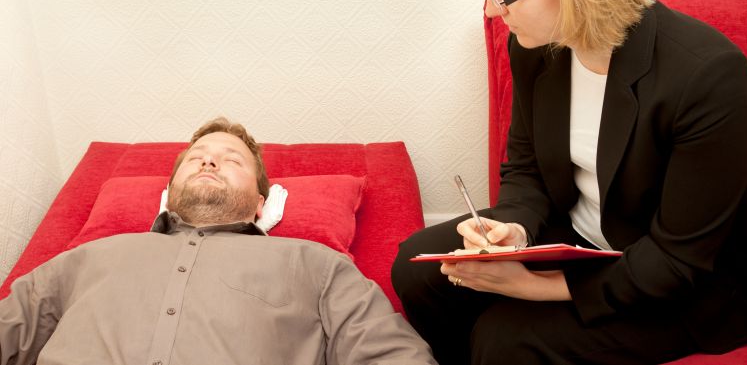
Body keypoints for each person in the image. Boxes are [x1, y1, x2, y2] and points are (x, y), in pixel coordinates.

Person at [391, 0, 747, 365]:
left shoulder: (707, 75)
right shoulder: (533, 46)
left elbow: (676, 261)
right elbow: (526, 171)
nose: (493, 11)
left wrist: (534, 287)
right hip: (583, 239)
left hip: (688, 283)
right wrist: (513, 231)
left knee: (505, 342)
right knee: (417, 269)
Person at [0, 117, 437, 365]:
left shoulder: (318, 265)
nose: (209, 159)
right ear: (167, 194)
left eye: (232, 160)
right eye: (197, 157)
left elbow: (391, 356)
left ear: (262, 204)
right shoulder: (83, 259)